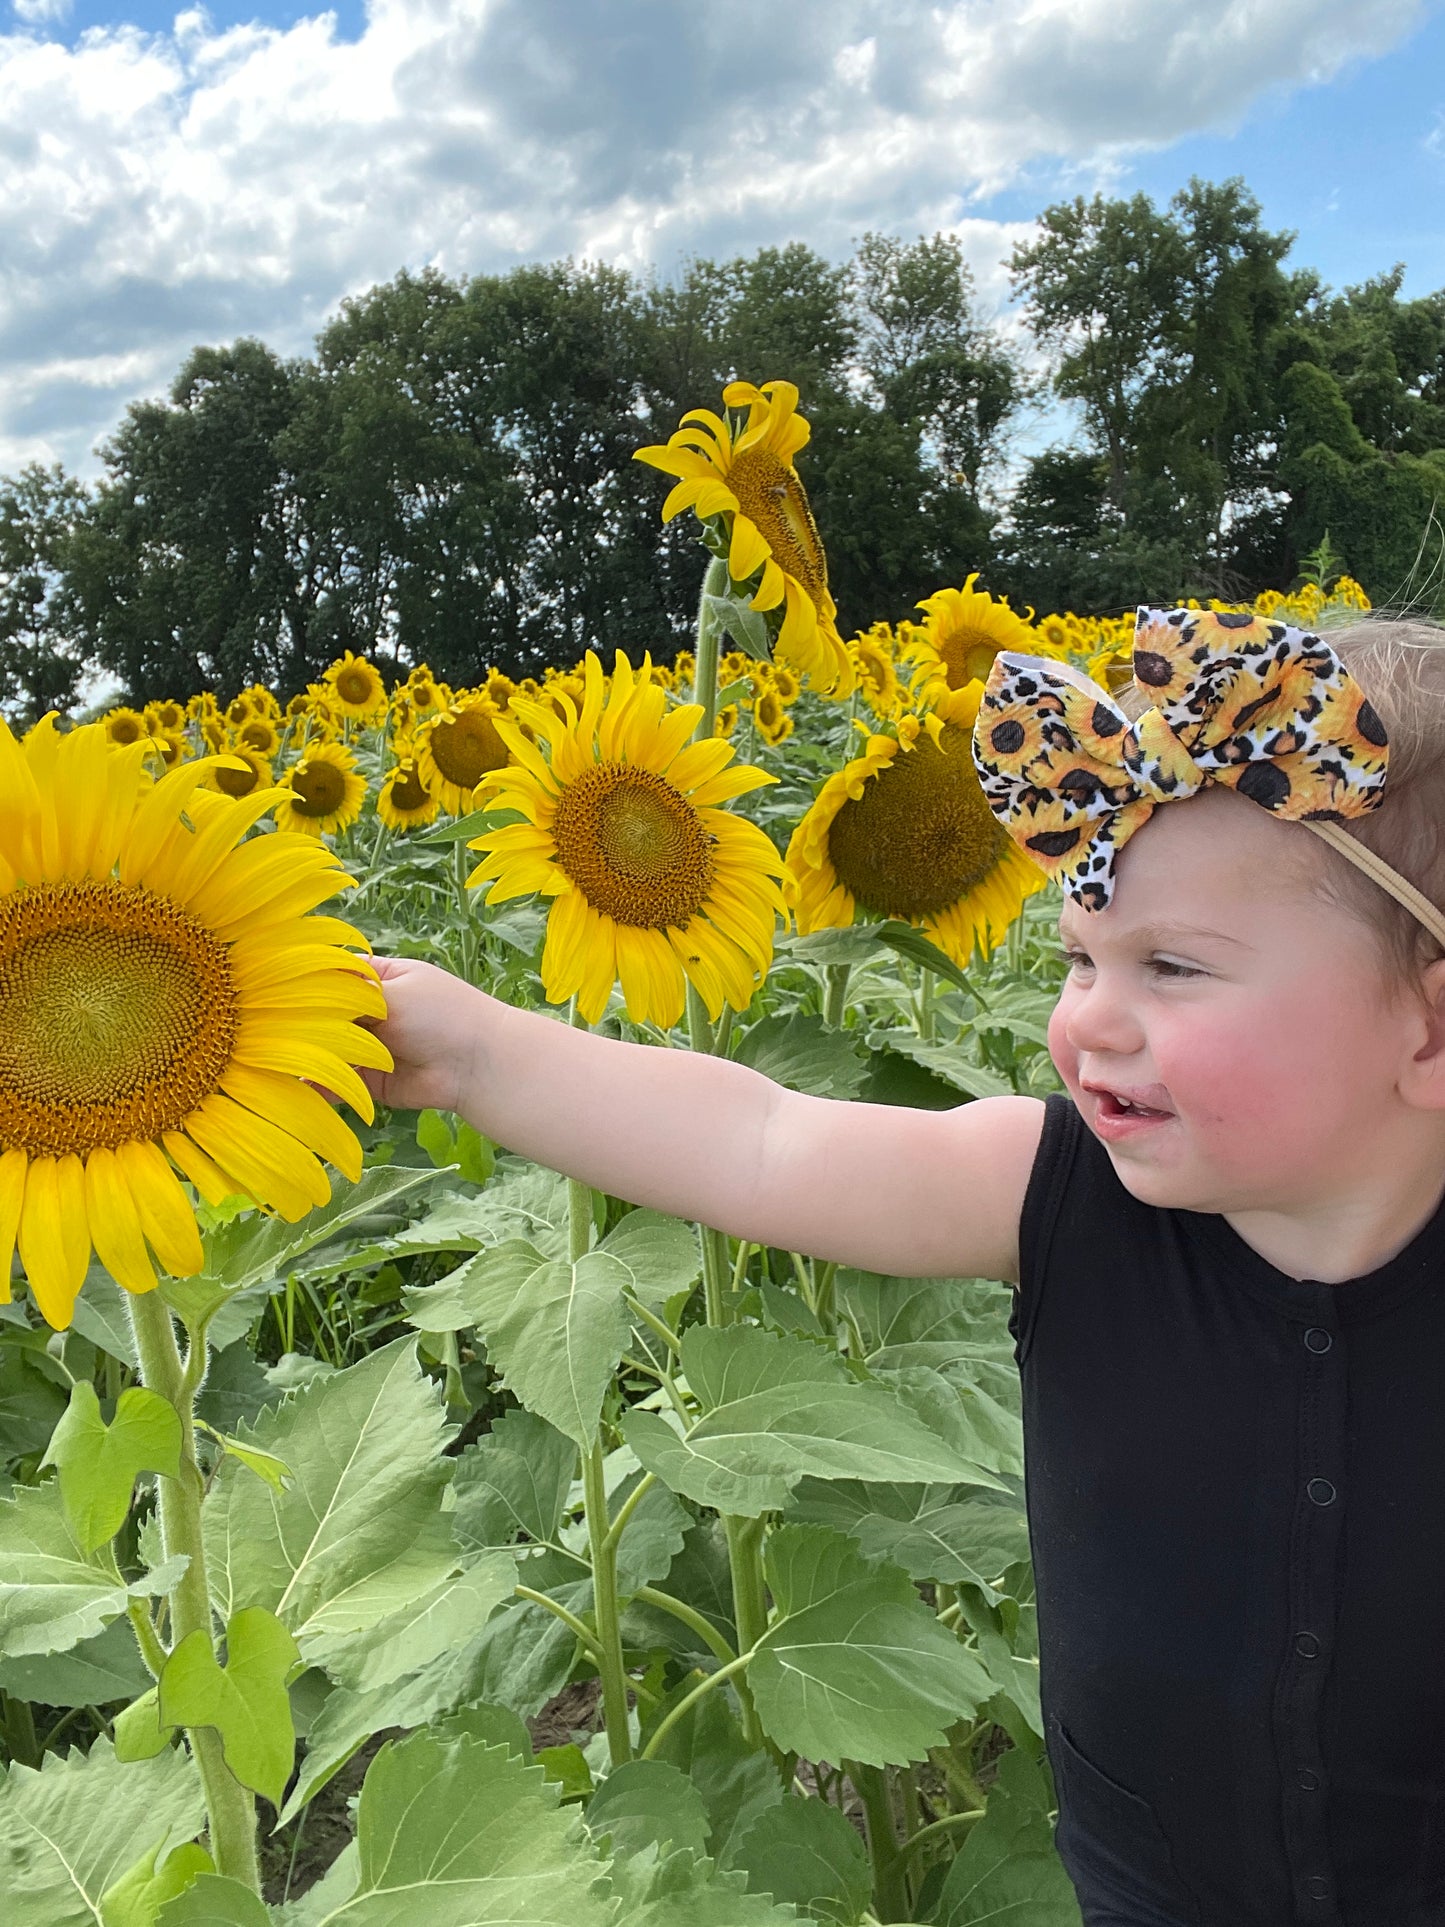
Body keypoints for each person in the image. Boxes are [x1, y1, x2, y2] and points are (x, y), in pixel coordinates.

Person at [363, 607, 1445, 1927]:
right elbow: (765, 1141)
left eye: (1169, 967)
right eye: (1075, 959)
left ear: (1430, 1029)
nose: (1088, 1019)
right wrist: (478, 1053)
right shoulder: (1057, 1198)